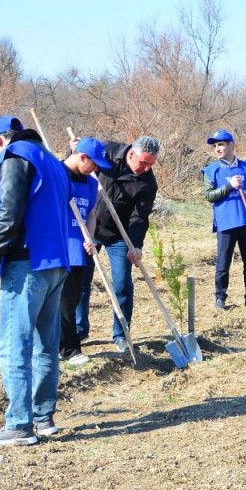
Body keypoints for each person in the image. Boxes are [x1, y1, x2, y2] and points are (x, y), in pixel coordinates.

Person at [0, 115, 73, 446]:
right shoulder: (53, 161)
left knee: (13, 344)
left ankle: (19, 424)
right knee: (45, 344)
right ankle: (43, 417)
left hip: (27, 262)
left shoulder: (16, 156)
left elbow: (10, 209)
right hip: (58, 263)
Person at [88, 135, 160, 350]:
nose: (147, 168)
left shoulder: (148, 183)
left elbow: (139, 217)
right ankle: (79, 330)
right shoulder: (107, 151)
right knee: (81, 282)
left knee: (122, 284)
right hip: (88, 228)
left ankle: (121, 334)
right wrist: (74, 150)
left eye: (151, 164)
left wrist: (135, 245)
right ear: (131, 154)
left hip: (119, 236)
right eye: (143, 162)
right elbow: (77, 161)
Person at [203, 129, 246, 311]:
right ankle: (220, 298)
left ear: (231, 145)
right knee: (223, 263)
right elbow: (209, 196)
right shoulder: (211, 171)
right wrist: (229, 186)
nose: (217, 149)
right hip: (225, 223)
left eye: (221, 144)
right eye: (215, 146)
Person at [59, 137, 112, 365]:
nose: (95, 169)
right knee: (63, 301)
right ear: (82, 156)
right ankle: (70, 350)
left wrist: (89, 236)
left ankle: (65, 347)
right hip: (59, 248)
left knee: (73, 299)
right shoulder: (57, 175)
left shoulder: (91, 184)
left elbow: (91, 214)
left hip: (80, 249)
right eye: (94, 163)